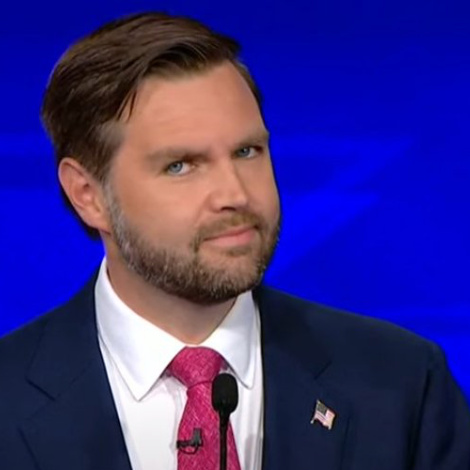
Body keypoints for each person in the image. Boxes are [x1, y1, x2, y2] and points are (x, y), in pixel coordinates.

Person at [0, 11, 469, 470]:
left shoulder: (404, 384)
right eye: (180, 165)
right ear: (89, 195)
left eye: (247, 151)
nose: (236, 194)